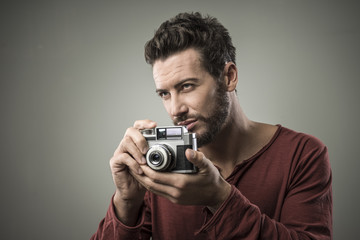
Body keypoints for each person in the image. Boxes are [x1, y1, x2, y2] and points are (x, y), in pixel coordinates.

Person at [91, 12, 332, 239]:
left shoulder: (302, 154)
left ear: (229, 77)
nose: (175, 109)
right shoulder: (159, 164)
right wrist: (126, 202)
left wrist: (220, 199)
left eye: (186, 86)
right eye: (164, 94)